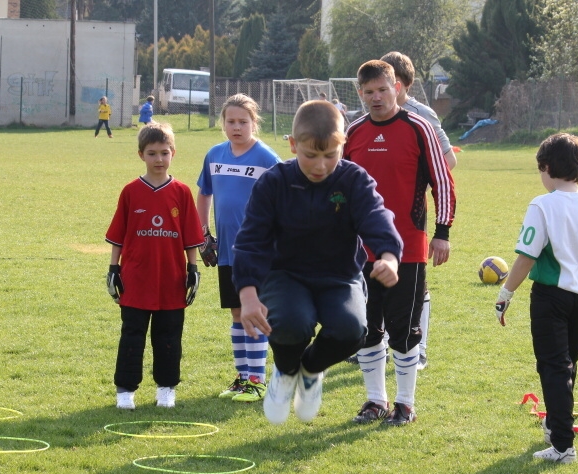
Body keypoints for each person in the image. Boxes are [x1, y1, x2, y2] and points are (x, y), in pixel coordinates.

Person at [234, 100, 403, 425]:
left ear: (343, 145)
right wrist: (247, 294)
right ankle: (284, 374)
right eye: (311, 155)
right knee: (291, 323)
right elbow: (251, 239)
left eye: (330, 155)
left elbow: (377, 216)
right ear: (294, 144)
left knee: (353, 329)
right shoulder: (274, 182)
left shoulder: (354, 180)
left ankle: (310, 371)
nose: (321, 165)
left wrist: (389, 257)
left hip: (339, 276)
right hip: (286, 275)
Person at [344, 60, 456, 426]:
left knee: (403, 328)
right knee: (366, 327)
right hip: (361, 251)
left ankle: (405, 404)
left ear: (397, 88)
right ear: (360, 93)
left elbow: (443, 182)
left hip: (408, 246)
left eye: (383, 89)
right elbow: (337, 188)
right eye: (369, 92)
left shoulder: (418, 128)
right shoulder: (354, 132)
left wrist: (442, 233)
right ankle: (375, 400)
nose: (376, 98)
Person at [495, 133, 578, 464]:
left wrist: (505, 294)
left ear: (546, 167)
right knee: (565, 367)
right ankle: (556, 426)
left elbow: (525, 258)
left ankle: (563, 446)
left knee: (553, 368)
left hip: (551, 298)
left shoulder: (542, 204)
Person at [105, 121, 205, 410]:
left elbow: (190, 238)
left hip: (171, 279)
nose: (159, 159)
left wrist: (192, 269)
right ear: (141, 155)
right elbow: (118, 236)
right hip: (136, 278)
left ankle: (166, 388)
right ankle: (125, 391)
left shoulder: (182, 192)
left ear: (173, 153)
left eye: (164, 152)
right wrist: (114, 269)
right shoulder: (130, 192)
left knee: (169, 336)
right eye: (152, 153)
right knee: (132, 334)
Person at [196, 94, 281, 403]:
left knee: (254, 313)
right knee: (235, 312)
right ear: (223, 123)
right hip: (227, 251)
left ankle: (257, 381)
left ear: (254, 123)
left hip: (258, 252)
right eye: (230, 121)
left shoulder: (267, 158)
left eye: (243, 122)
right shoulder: (215, 155)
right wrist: (202, 233)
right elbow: (204, 193)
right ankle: (242, 378)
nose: (236, 127)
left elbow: (282, 202)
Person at [382, 51, 457, 371]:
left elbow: (447, 161)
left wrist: (413, 181)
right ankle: (375, 342)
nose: (379, 91)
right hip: (373, 212)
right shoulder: (368, 111)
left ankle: (419, 346)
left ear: (399, 85)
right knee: (374, 276)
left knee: (414, 283)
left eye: (387, 84)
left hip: (410, 212)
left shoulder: (422, 115)